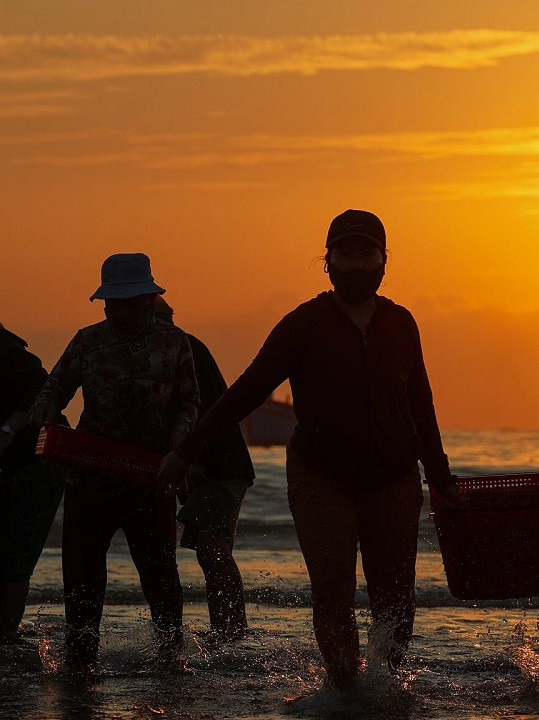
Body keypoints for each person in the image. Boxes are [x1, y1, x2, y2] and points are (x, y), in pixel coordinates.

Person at [158, 209, 465, 690]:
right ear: (328, 261)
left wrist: (441, 479)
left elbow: (421, 406)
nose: (358, 265)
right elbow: (246, 391)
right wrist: (188, 449)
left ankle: (385, 688)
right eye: (347, 254)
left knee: (396, 598)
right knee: (332, 588)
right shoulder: (304, 324)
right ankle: (344, 690)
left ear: (385, 261)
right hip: (321, 479)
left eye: (368, 254)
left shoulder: (401, 324)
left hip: (394, 479)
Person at [28, 253, 199, 673]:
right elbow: (53, 390)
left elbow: (190, 401)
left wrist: (180, 444)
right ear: (104, 304)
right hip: (90, 476)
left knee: (161, 580)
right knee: (83, 582)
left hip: (149, 475)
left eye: (131, 302)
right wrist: (46, 411)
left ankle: (170, 663)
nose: (122, 311)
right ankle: (80, 664)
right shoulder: (87, 342)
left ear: (149, 299)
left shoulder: (174, 344)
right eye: (113, 304)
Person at [153, 297, 255, 641]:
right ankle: (224, 629)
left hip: (218, 467)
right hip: (202, 466)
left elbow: (197, 411)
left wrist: (191, 463)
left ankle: (234, 630)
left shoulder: (182, 351)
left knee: (212, 550)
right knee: (210, 551)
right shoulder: (181, 348)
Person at [0, 323, 67, 646]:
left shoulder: (6, 349)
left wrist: (12, 425)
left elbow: (43, 384)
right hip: (13, 465)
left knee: (16, 558)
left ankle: (9, 635)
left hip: (40, 461)